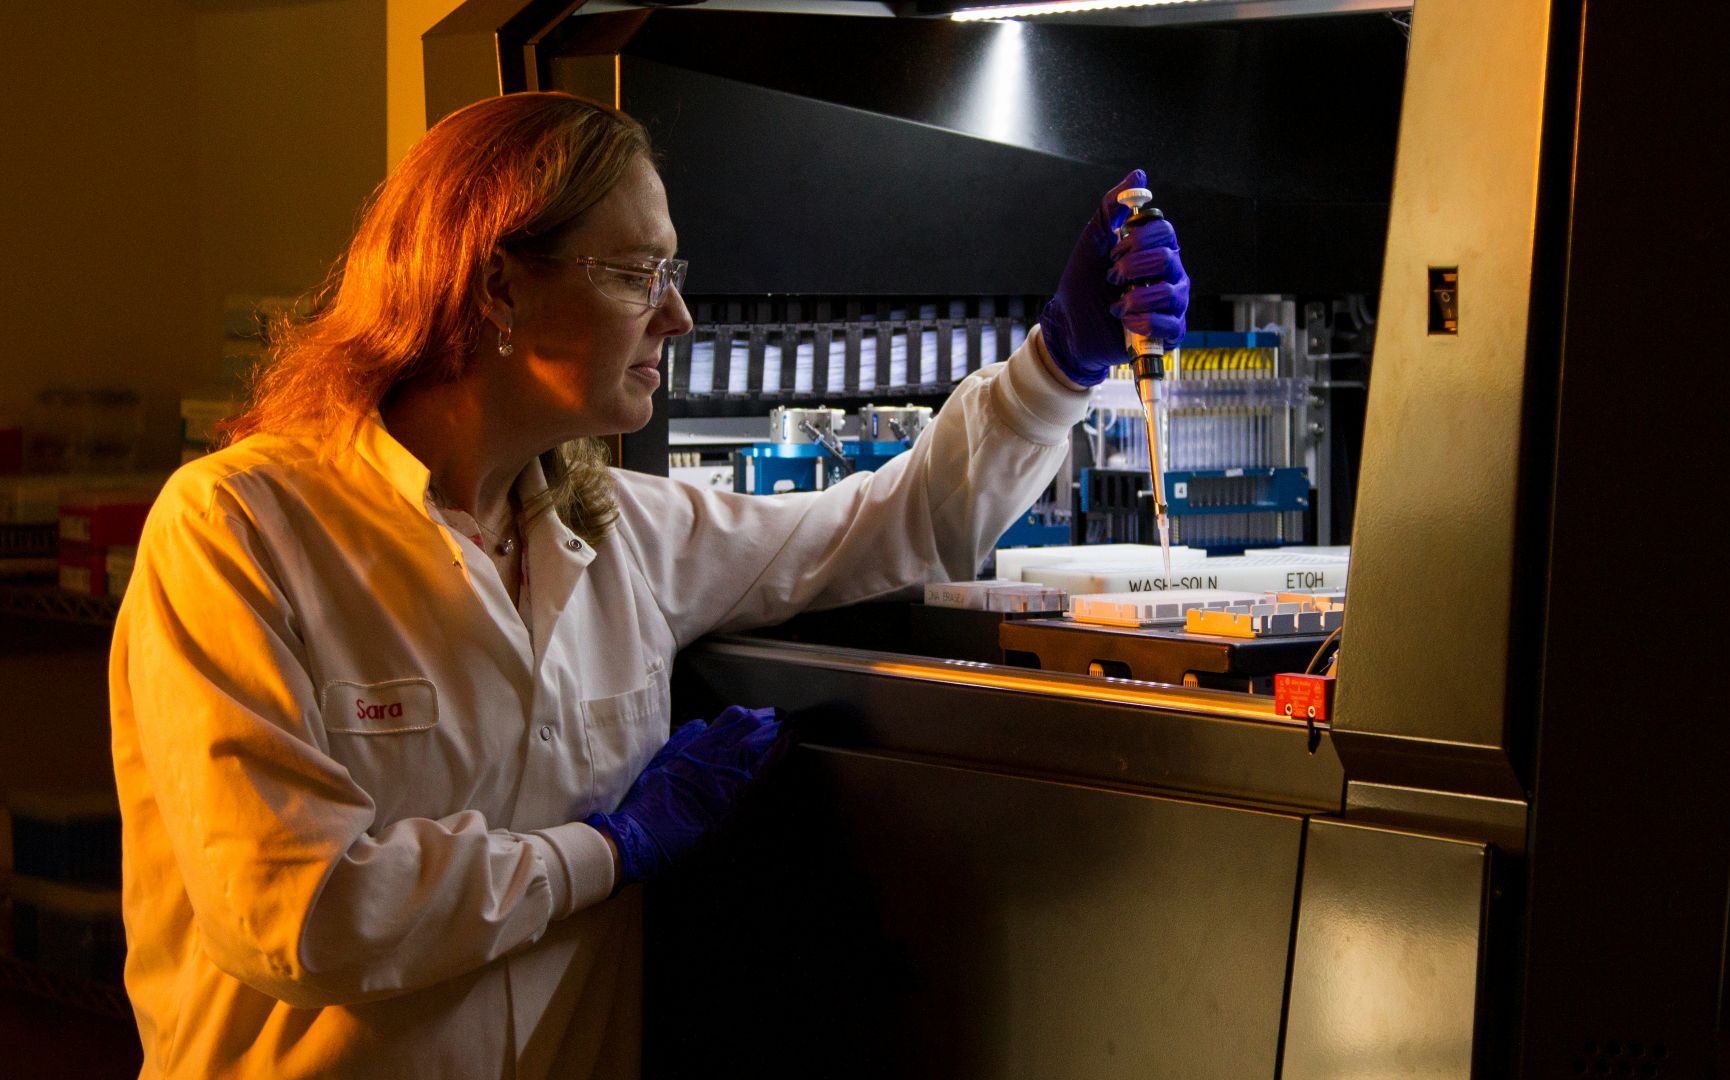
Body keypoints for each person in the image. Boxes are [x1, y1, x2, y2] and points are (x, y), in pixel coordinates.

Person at [109, 90, 1186, 1078]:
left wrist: (1060, 364)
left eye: (672, 274)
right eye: (637, 275)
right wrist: (606, 851)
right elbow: (297, 911)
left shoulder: (616, 529)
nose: (678, 318)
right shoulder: (240, 529)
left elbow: (891, 522)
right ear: (497, 285)